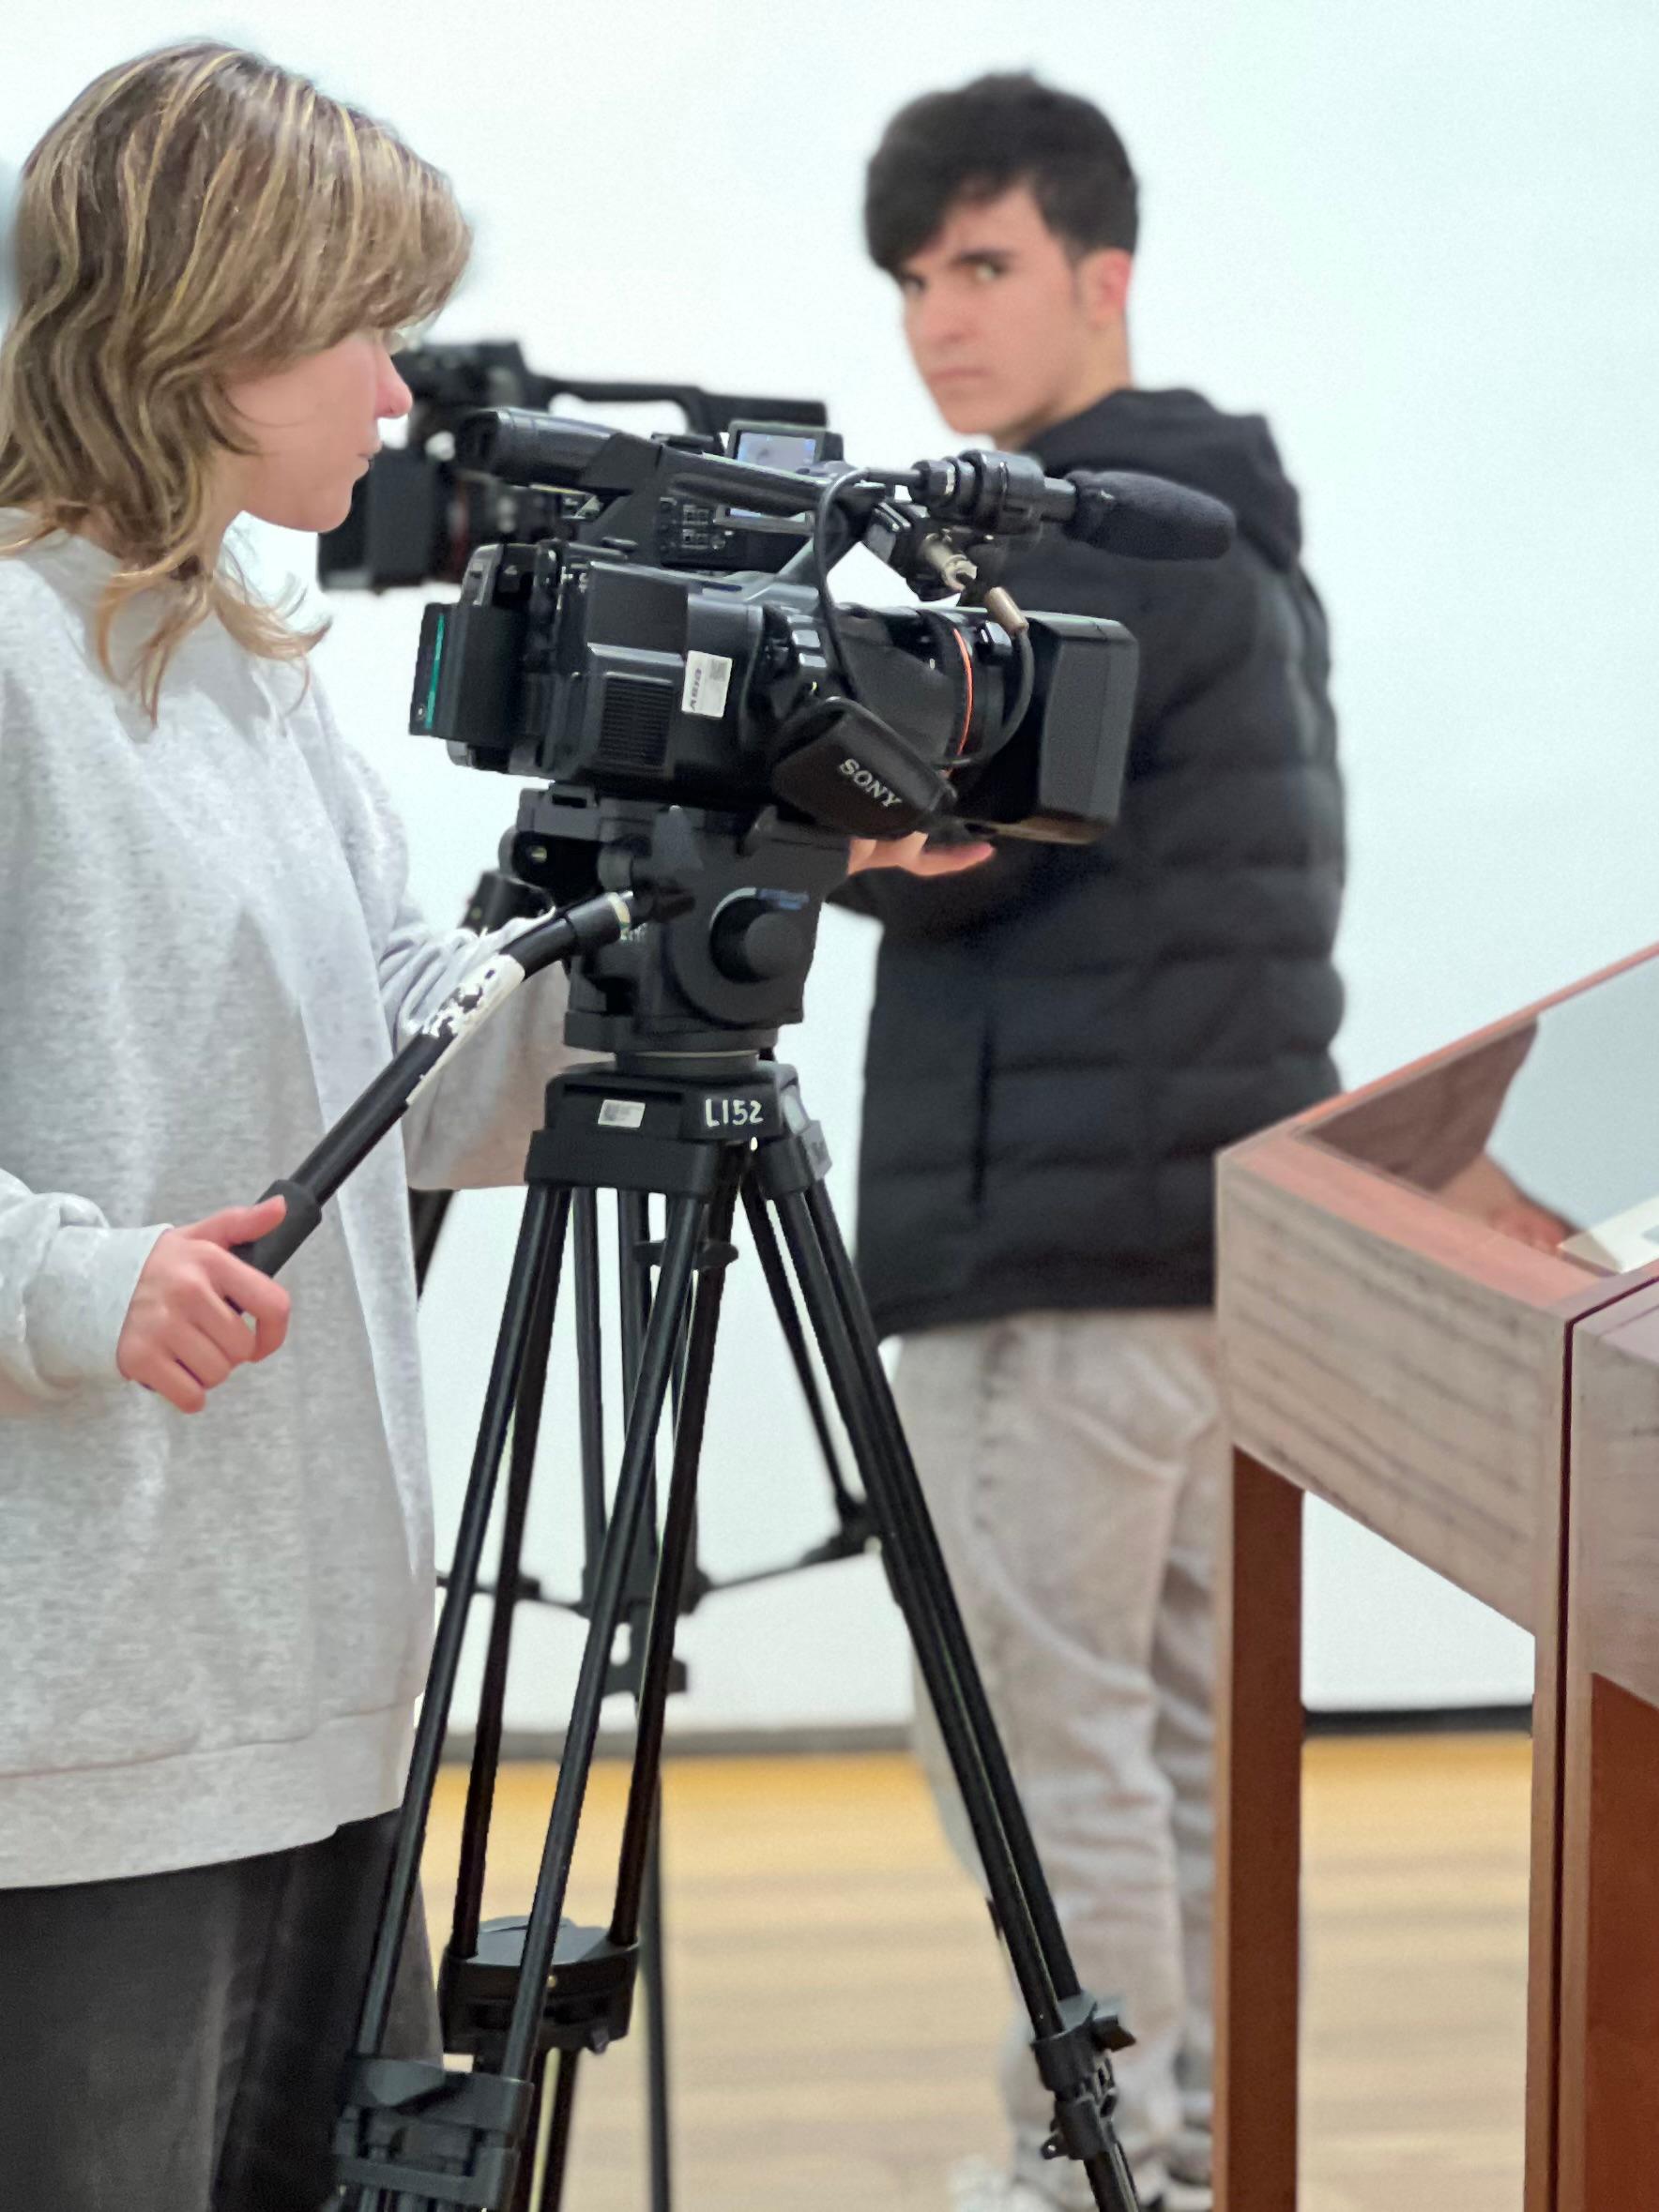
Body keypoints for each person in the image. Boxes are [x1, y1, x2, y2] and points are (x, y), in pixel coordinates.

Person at [0, 43, 973, 2210]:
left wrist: (738, 880)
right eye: (363, 331)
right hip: (82, 1733)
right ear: (211, 328)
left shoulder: (241, 673)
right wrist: (71, 1286)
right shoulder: (14, 659)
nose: (394, 393)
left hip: (313, 1688)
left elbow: (404, 1069)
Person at [845, 74, 1347, 2212]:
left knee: (1048, 1757)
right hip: (1208, 1258)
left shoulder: (1085, 542)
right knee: (1172, 1752)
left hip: (1053, 1256)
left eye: (984, 265)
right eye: (910, 279)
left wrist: (811, 797)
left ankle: (1096, 2177)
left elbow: (937, 844)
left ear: (1101, 274)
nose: (938, 321)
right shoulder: (1223, 532)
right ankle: (1180, 2160)